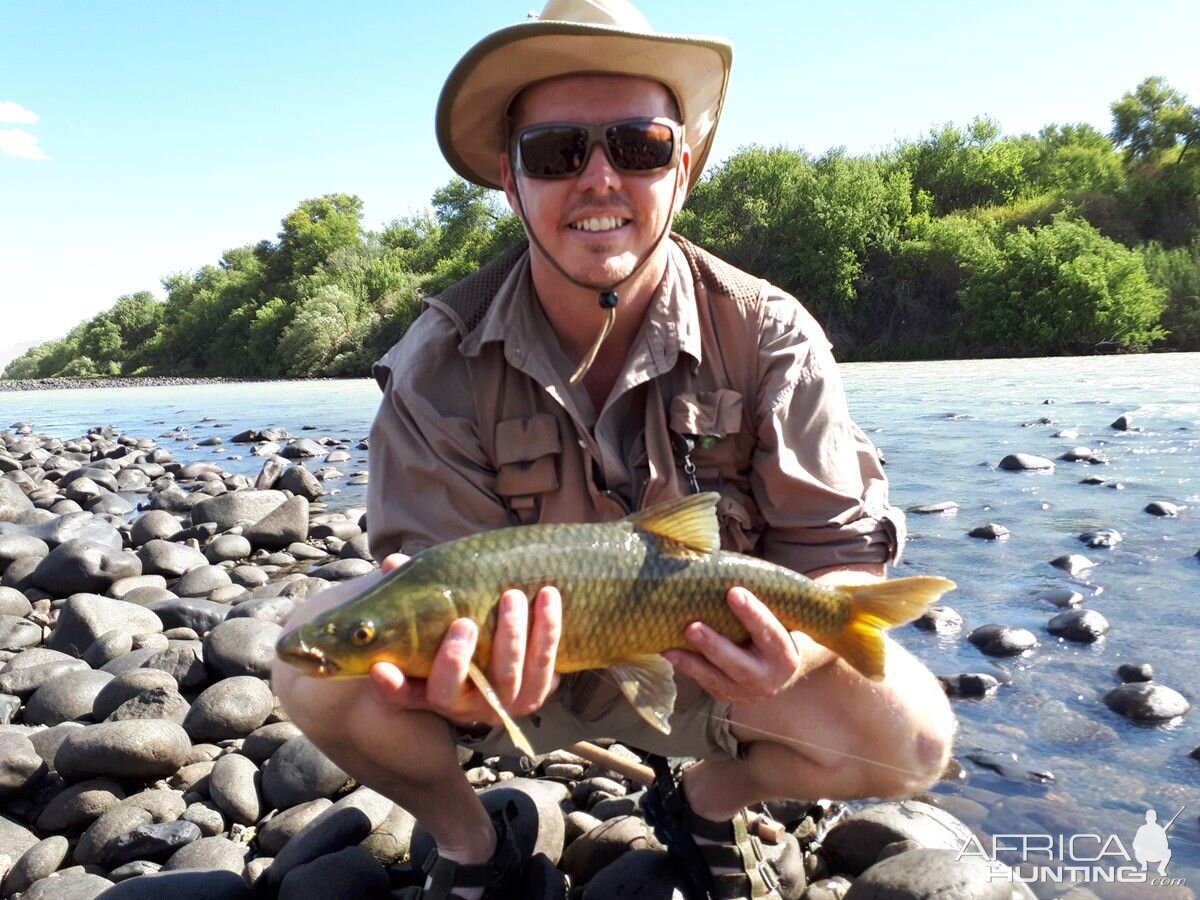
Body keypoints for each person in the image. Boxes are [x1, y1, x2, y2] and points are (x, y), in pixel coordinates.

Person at [272, 1, 955, 897]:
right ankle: (474, 845)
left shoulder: (770, 334)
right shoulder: (438, 359)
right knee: (311, 665)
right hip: (518, 677)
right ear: (513, 184)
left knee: (914, 736)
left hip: (714, 663)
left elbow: (841, 566)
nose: (599, 180)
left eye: (637, 146)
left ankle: (708, 802)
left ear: (683, 171)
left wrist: (806, 650)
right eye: (557, 153)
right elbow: (425, 572)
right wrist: (450, 677)